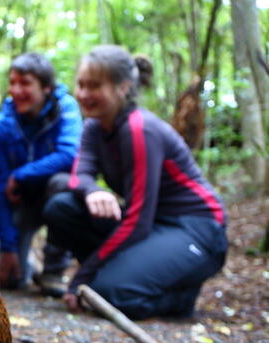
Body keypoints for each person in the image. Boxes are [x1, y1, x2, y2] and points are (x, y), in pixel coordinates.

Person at [44, 45, 228, 319]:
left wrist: (81, 278)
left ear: (122, 87)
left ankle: (179, 299)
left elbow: (137, 223)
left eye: (94, 86)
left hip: (198, 230)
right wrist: (93, 190)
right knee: (61, 207)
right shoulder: (94, 126)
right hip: (153, 226)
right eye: (80, 85)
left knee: (110, 295)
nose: (82, 94)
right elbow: (78, 176)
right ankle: (114, 274)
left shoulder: (139, 129)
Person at [0, 52, 82, 294]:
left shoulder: (66, 109)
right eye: (12, 82)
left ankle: (53, 269)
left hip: (54, 196)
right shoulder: (4, 123)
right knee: (11, 282)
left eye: (25, 83)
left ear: (46, 87)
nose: (16, 90)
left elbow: (70, 155)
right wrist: (8, 248)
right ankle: (22, 259)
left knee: (62, 184)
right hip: (24, 202)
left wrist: (20, 174)